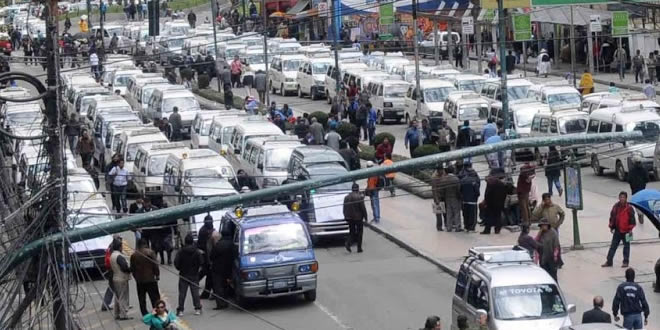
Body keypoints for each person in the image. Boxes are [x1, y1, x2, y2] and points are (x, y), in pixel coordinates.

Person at [603, 191, 636, 268]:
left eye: (623, 197)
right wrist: (611, 227)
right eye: (620, 197)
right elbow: (612, 217)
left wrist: (630, 229)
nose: (622, 199)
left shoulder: (629, 208)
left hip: (627, 231)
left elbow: (632, 219)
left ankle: (625, 262)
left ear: (626, 198)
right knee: (613, 246)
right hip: (617, 230)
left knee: (626, 247)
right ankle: (609, 261)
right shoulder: (615, 207)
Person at [174, 234, 204, 316]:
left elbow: (176, 263)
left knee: (182, 293)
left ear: (185, 241)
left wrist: (180, 269)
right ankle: (197, 308)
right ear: (192, 241)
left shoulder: (181, 251)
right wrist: (197, 270)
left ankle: (180, 310)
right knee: (195, 293)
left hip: (183, 274)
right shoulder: (197, 251)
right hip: (194, 274)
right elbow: (201, 263)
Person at [130, 238, 160, 316]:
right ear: (145, 244)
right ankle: (157, 311)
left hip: (140, 280)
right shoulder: (150, 253)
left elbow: (132, 268)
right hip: (150, 279)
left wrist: (136, 277)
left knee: (142, 298)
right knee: (155, 297)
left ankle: (144, 313)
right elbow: (155, 265)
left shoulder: (134, 255)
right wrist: (157, 275)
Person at [210, 227, 233, 309]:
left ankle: (220, 304)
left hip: (218, 269)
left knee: (218, 287)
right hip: (228, 268)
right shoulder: (232, 244)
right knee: (225, 286)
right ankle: (226, 301)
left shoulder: (219, 245)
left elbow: (212, 256)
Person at [433, 166, 462, 232]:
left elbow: (443, 189)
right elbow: (458, 189)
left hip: (446, 198)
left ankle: (449, 227)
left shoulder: (444, 179)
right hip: (450, 198)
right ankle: (457, 227)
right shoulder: (455, 179)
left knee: (448, 213)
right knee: (455, 212)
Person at [110, 238, 132, 320]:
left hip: (115, 278)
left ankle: (117, 314)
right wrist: (131, 268)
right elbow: (124, 268)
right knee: (123, 297)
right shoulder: (119, 256)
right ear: (119, 247)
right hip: (121, 278)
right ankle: (123, 315)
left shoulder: (112, 255)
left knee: (117, 297)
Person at [344, 182, 368, 253]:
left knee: (352, 232)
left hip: (349, 218)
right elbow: (363, 208)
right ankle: (359, 248)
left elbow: (344, 208)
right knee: (360, 232)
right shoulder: (359, 197)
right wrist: (365, 217)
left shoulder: (346, 197)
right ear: (357, 189)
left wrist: (346, 216)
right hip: (358, 218)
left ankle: (348, 243)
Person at [482, 169, 507, 234]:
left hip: (490, 203)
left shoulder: (490, 183)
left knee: (488, 216)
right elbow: (504, 194)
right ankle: (497, 229)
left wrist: (486, 202)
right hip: (499, 203)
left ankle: (487, 230)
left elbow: (487, 194)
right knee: (498, 216)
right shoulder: (502, 184)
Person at [197, 215, 215, 299]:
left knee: (208, 274)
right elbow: (204, 245)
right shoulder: (204, 231)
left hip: (209, 256)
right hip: (206, 255)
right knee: (207, 273)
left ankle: (207, 293)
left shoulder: (209, 229)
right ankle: (207, 293)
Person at [459, 162, 480, 232]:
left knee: (466, 214)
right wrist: (476, 196)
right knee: (472, 215)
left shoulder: (462, 180)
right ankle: (471, 228)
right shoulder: (474, 181)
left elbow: (460, 190)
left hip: (464, 201)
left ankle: (466, 226)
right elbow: (477, 192)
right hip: (472, 201)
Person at [628, 156, 648, 224]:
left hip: (635, 190)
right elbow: (647, 179)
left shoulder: (631, 170)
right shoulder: (644, 169)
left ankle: (639, 213)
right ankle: (641, 212)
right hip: (642, 189)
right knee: (642, 202)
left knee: (636, 202)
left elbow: (629, 180)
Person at [517, 161, 535, 226]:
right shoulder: (531, 176)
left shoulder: (524, 175)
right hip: (526, 191)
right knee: (526, 206)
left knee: (523, 207)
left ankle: (526, 221)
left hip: (522, 192)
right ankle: (528, 220)